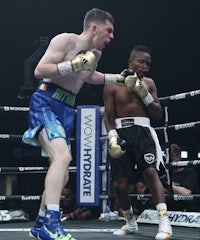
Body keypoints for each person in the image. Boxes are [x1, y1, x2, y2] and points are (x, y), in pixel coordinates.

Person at [22, 8, 135, 240]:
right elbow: (39, 70)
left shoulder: (95, 54)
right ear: (94, 28)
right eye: (109, 31)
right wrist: (72, 65)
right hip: (46, 101)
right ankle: (52, 224)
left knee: (62, 171)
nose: (112, 37)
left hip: (67, 109)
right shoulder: (65, 40)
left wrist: (119, 79)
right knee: (62, 158)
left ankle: (40, 224)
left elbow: (88, 76)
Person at [103, 45, 172, 240]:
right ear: (130, 61)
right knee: (120, 184)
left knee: (150, 172)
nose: (145, 67)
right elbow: (108, 116)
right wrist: (113, 137)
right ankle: (130, 222)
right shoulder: (112, 84)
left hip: (143, 132)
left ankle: (164, 223)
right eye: (141, 62)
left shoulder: (149, 83)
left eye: (148, 64)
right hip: (120, 132)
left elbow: (157, 115)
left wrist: (145, 94)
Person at [168, 144, 200, 211]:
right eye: (169, 160)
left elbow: (186, 193)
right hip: (171, 209)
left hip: (187, 210)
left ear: (179, 158)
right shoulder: (168, 174)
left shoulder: (189, 173)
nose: (170, 162)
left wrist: (167, 185)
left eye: (172, 159)